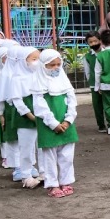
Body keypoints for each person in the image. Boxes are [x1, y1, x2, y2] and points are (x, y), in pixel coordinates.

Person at [32, 50, 78, 198]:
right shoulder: (38, 83)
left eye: (58, 64)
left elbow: (72, 101)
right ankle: (52, 184)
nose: (56, 68)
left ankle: (66, 181)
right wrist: (53, 123)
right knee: (49, 157)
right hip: (48, 125)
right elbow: (40, 107)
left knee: (67, 155)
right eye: (51, 65)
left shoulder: (64, 81)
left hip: (67, 124)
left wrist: (68, 120)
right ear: (43, 65)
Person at [9, 46, 43, 189]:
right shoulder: (17, 78)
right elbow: (17, 100)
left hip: (40, 113)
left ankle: (44, 172)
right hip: (25, 117)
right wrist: (29, 115)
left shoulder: (40, 75)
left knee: (42, 146)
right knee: (26, 147)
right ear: (24, 61)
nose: (37, 62)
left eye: (39, 59)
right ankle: (26, 175)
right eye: (34, 59)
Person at [0, 43, 22, 178]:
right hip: (10, 111)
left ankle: (29, 165)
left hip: (26, 110)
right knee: (12, 139)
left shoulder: (25, 72)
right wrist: (0, 115)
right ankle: (17, 167)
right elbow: (0, 97)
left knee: (27, 139)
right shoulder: (5, 75)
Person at [83, 31, 106, 133]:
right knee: (97, 105)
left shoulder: (107, 53)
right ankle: (101, 125)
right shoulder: (87, 57)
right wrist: (93, 83)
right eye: (90, 42)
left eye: (95, 41)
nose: (93, 44)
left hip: (107, 83)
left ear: (100, 40)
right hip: (94, 85)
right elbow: (87, 73)